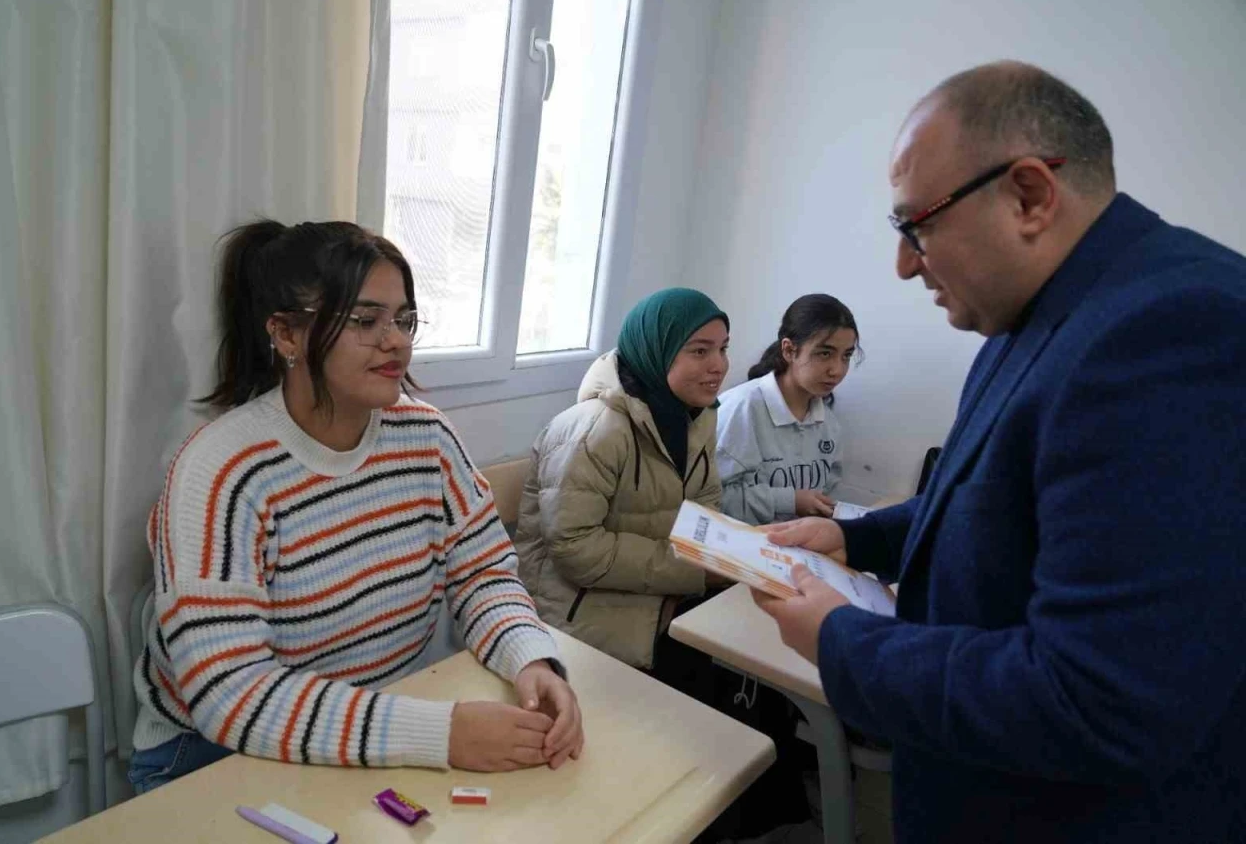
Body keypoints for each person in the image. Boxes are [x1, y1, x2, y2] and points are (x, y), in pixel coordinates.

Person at [754, 61, 1246, 843]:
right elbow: (988, 497)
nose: (904, 264)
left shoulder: (1173, 331)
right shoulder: (1030, 319)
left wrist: (842, 640)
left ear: (1029, 196)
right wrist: (857, 537)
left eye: (916, 227)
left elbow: (1097, 700)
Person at [130, 220, 583, 793]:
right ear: (286, 335)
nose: (396, 341)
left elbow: (483, 573)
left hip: (375, 723)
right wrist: (441, 734)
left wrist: (531, 660)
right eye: (366, 321)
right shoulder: (220, 471)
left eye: (403, 319)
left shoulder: (426, 437)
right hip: (211, 753)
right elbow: (230, 692)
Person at [514, 287, 729, 680]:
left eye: (723, 349)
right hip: (579, 622)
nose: (719, 365)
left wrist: (725, 555)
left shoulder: (696, 417)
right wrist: (692, 571)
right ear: (656, 351)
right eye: (700, 351)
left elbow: (706, 501)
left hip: (661, 600)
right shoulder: (594, 430)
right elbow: (575, 548)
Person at [716, 294, 861, 525]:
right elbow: (711, 498)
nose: (837, 370)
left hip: (798, 543)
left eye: (846, 356)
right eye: (825, 353)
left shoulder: (828, 424)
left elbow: (827, 492)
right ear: (789, 350)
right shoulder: (741, 409)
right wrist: (789, 501)